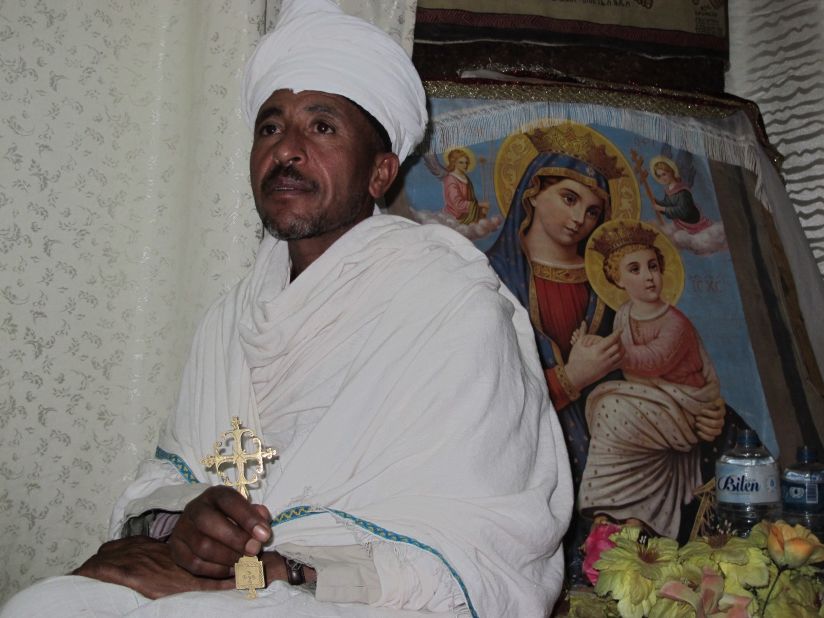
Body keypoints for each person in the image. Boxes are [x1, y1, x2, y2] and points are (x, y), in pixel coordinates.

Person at [1, 1, 572, 616]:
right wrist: (186, 527)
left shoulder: (449, 305)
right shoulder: (233, 319)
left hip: (361, 596)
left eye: (322, 128)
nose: (288, 151)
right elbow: (184, 477)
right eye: (270, 128)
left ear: (380, 173)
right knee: (46, 603)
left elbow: (484, 545)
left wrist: (272, 573)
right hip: (236, 584)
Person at [485, 124, 627, 580]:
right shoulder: (488, 277)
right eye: (569, 199)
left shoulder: (608, 287)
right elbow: (480, 388)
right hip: (519, 452)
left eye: (592, 211)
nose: (579, 219)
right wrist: (571, 380)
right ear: (531, 192)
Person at [577, 220, 724, 538]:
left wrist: (605, 351)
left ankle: (623, 508)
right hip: (649, 403)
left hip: (683, 406)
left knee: (610, 408)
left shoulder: (676, 323)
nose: (648, 276)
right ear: (617, 279)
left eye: (653, 266)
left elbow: (653, 361)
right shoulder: (624, 315)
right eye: (635, 269)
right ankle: (614, 511)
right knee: (610, 408)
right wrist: (588, 346)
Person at [649, 156, 711, 234]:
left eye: (664, 174)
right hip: (682, 224)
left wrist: (663, 208)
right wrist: (656, 202)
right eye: (659, 176)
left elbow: (682, 211)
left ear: (671, 171)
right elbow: (668, 204)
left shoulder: (682, 191)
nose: (662, 178)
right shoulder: (669, 191)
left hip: (693, 224)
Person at [441, 148, 488, 224]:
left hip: (467, 215)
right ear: (454, 163)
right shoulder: (451, 179)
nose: (465, 165)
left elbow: (471, 199)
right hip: (454, 218)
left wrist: (480, 210)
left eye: (466, 162)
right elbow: (457, 204)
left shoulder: (466, 178)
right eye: (461, 162)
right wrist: (479, 205)